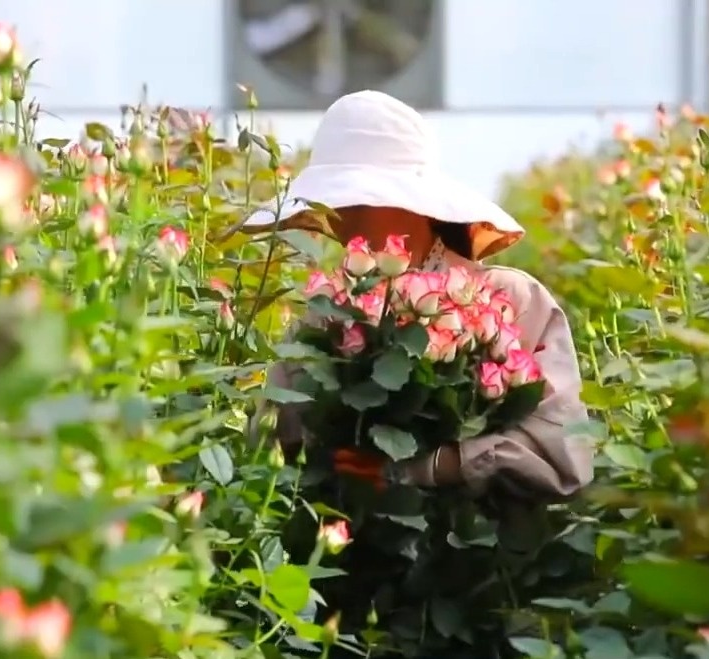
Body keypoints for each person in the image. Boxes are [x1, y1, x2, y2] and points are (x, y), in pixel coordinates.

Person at [244, 90, 594, 656]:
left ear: (418, 205)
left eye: (360, 200)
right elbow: (273, 452)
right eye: (336, 207)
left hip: (485, 593)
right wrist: (334, 458)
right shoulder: (323, 312)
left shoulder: (507, 299)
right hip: (354, 597)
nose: (343, 223)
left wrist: (428, 467)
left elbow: (564, 456)